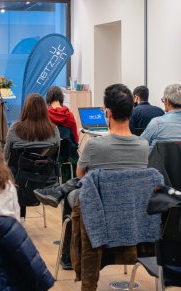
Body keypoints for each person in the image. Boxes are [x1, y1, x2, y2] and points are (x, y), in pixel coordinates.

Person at [34, 84, 150, 269]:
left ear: (107, 112)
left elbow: (81, 175)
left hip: (99, 205)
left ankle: (67, 257)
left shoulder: (95, 145)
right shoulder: (144, 146)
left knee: (74, 193)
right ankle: (57, 192)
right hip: (131, 206)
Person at [4, 93, 61, 162]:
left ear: (25, 109)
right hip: (46, 171)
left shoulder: (14, 129)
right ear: (44, 110)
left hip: (18, 172)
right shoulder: (54, 130)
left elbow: (6, 156)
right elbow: (56, 156)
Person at [140, 84, 181, 150]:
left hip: (157, 160)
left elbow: (140, 145)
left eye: (163, 100)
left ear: (167, 101)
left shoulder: (157, 123)